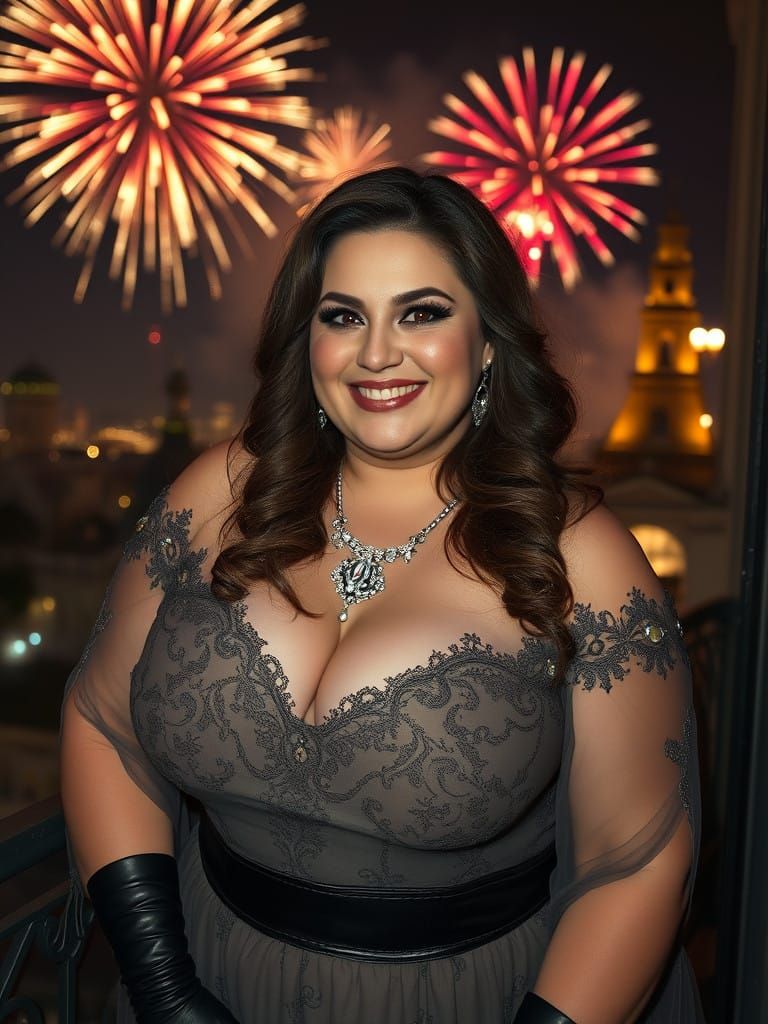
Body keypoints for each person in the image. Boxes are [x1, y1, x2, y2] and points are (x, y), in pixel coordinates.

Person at [59, 166, 703, 1023]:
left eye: (422, 312)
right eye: (343, 316)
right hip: (197, 969)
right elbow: (103, 721)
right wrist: (164, 987)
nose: (375, 353)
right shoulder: (216, 490)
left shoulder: (582, 558)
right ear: (308, 338)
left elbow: (637, 860)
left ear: (488, 342)